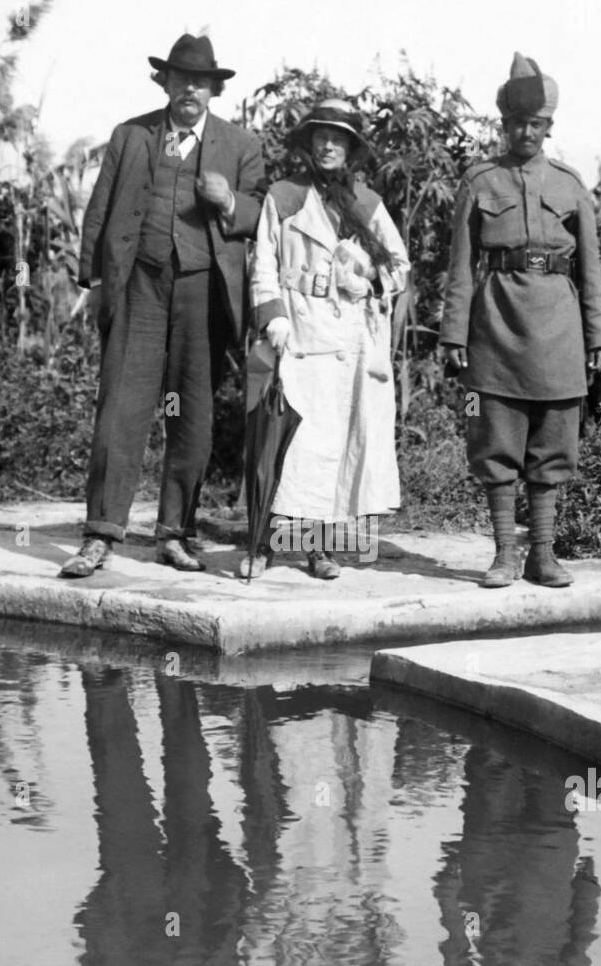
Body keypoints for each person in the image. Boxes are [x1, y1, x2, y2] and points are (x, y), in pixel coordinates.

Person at [59, 34, 266, 578]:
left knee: (189, 416)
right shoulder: (131, 136)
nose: (190, 89)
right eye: (180, 79)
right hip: (138, 289)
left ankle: (175, 534)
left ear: (214, 90)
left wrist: (231, 202)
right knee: (120, 411)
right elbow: (100, 208)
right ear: (165, 83)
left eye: (200, 81)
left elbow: (263, 215)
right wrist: (92, 277)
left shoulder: (240, 146)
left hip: (202, 295)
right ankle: (101, 534)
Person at [440, 53, 601, 587]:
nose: (525, 132)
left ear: (548, 128)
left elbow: (591, 267)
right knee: (496, 439)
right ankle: (503, 556)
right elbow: (460, 265)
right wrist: (454, 333)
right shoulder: (480, 180)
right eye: (516, 123)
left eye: (535, 124)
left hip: (559, 325)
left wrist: (597, 333)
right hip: (496, 321)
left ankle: (543, 553)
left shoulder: (570, 184)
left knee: (554, 441)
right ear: (503, 125)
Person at [246, 99, 409, 580]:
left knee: (337, 445)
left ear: (352, 148)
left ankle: (319, 548)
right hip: (299, 331)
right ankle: (262, 542)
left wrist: (368, 281)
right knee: (286, 439)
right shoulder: (283, 196)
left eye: (339, 138)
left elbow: (398, 266)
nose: (329, 145)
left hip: (353, 339)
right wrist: (272, 316)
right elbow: (264, 265)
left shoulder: (367, 202)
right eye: (322, 136)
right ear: (309, 143)